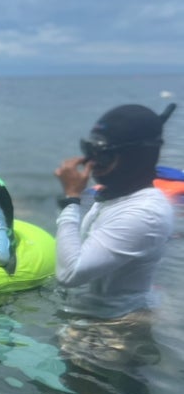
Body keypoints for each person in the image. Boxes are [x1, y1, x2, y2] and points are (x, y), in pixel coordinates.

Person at [54, 104, 175, 320]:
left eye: (102, 155)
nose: (91, 162)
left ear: (136, 158)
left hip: (116, 325)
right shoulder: (116, 194)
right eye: (88, 150)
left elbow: (70, 273)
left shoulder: (144, 213)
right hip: (92, 316)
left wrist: (71, 198)